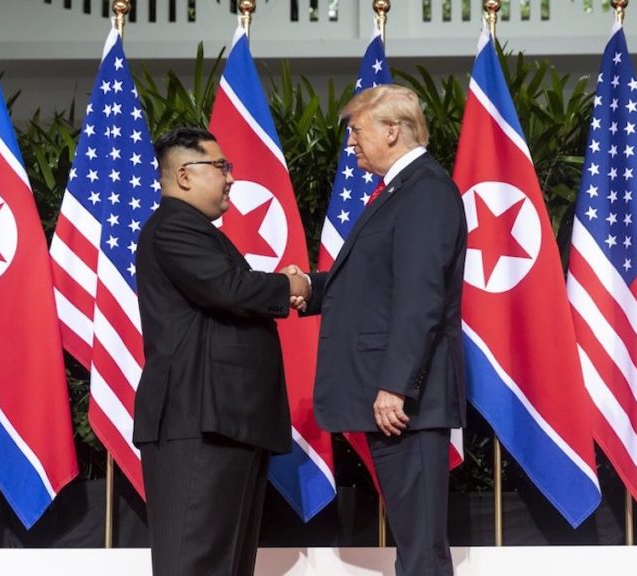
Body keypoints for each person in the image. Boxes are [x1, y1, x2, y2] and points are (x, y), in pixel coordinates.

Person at [294, 85, 467, 575]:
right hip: (396, 395)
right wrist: (308, 286)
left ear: (392, 130)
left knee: (420, 545)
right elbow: (375, 282)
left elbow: (420, 298)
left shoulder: (425, 190)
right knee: (415, 538)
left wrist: (395, 385)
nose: (351, 143)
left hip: (405, 400)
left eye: (357, 130)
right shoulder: (401, 190)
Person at [133, 127, 310, 576]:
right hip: (197, 420)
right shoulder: (174, 225)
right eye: (221, 167)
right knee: (197, 562)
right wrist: (289, 285)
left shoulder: (195, 230)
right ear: (185, 175)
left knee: (226, 563)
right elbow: (230, 288)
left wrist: (311, 287)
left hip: (225, 419)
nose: (230, 177)